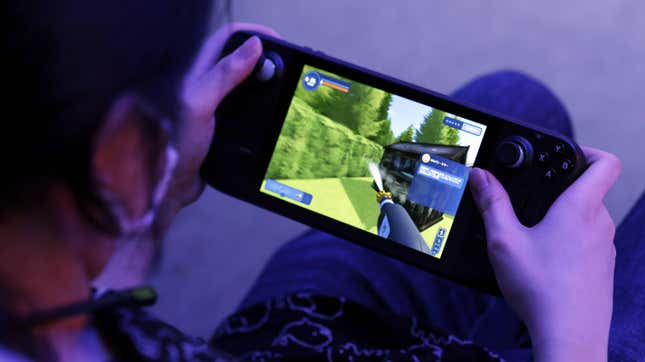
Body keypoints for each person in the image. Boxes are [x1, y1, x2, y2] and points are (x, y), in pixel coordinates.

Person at [2, 0, 639, 361]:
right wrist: (571, 335)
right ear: (118, 154)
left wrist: (142, 214)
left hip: (282, 341)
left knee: (511, 105)